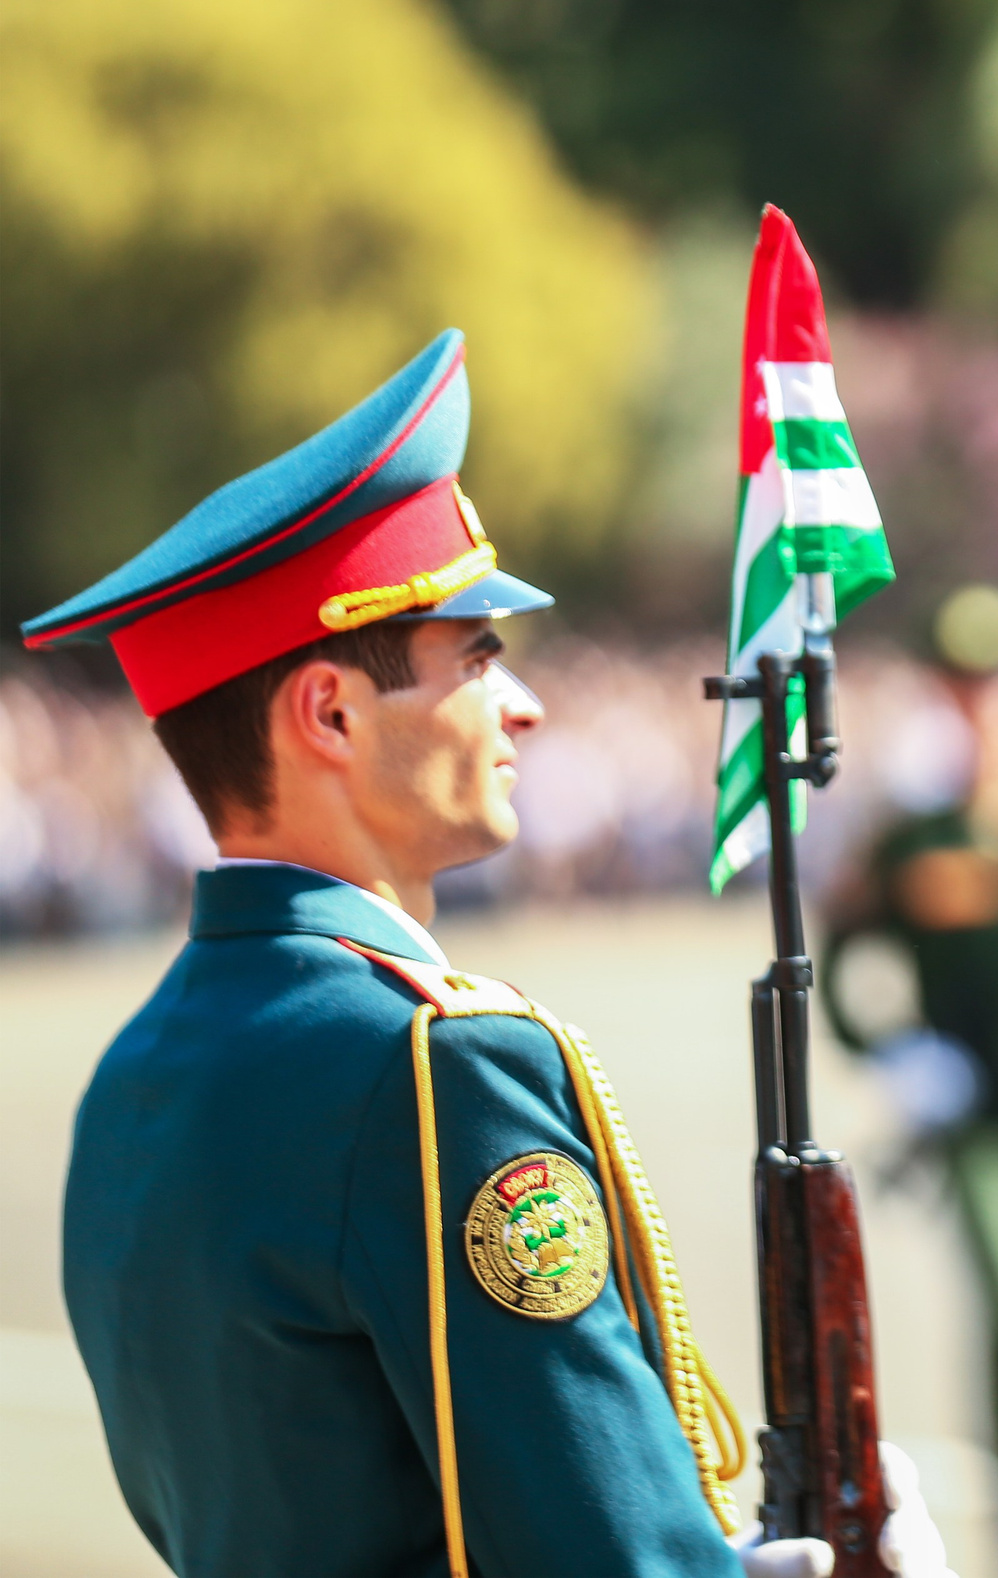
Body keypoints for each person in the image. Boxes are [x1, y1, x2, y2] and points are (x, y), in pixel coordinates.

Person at [25, 332, 950, 1578]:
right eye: (474, 658)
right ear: (333, 712)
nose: (524, 705)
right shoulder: (432, 1066)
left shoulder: (135, 1072)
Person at [817, 583, 998, 1577]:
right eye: (968, 689)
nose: (991, 709)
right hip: (979, 1113)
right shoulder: (916, 837)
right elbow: (845, 960)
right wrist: (893, 1050)